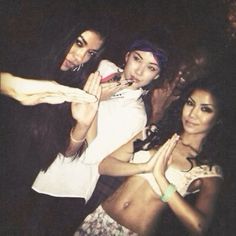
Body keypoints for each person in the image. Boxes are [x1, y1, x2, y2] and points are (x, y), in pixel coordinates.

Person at [29, 35, 170, 235]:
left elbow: (92, 156)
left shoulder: (136, 114)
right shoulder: (103, 68)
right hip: (39, 158)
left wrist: (94, 101)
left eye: (151, 68)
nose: (139, 71)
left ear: (155, 77)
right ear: (127, 56)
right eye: (137, 59)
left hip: (67, 188)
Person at [75, 77, 226, 236]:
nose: (193, 114)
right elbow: (104, 166)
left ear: (218, 119)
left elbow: (199, 227)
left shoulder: (208, 169)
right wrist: (144, 167)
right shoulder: (154, 133)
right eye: (190, 103)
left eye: (205, 109)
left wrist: (160, 178)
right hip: (98, 218)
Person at [0, 18, 109, 235]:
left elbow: (66, 152)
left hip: (18, 186)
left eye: (90, 53)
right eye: (79, 43)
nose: (80, 56)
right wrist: (20, 88)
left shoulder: (73, 87)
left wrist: (83, 124)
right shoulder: (24, 53)